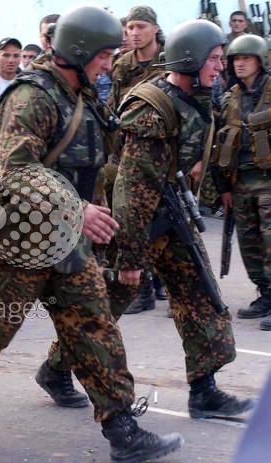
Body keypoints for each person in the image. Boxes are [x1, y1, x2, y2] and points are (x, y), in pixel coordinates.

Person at [0, 6, 183, 463]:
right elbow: (17, 170)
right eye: (103, 56)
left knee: (96, 327)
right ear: (79, 51)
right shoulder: (31, 97)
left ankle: (122, 430)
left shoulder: (81, 94)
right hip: (23, 238)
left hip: (69, 241)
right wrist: (78, 208)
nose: (108, 65)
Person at [113, 19, 255, 418]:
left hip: (172, 214)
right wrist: (130, 256)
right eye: (214, 59)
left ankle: (204, 389)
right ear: (190, 59)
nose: (221, 67)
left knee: (201, 295)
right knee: (103, 305)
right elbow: (132, 188)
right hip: (139, 221)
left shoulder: (201, 97)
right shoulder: (153, 108)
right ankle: (57, 368)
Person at [108, 6, 168, 315]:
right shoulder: (122, 66)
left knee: (165, 225)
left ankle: (166, 285)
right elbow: (113, 108)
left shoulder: (169, 61)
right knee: (131, 222)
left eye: (140, 26)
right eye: (130, 27)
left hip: (161, 154)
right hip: (127, 154)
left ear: (154, 29)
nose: (134, 33)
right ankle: (141, 290)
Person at [212, 34, 271, 330]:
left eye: (246, 58)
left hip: (268, 179)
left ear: (260, 61)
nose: (240, 63)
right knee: (249, 243)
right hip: (240, 181)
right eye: (236, 59)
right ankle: (265, 293)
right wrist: (223, 188)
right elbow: (218, 142)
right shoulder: (229, 97)